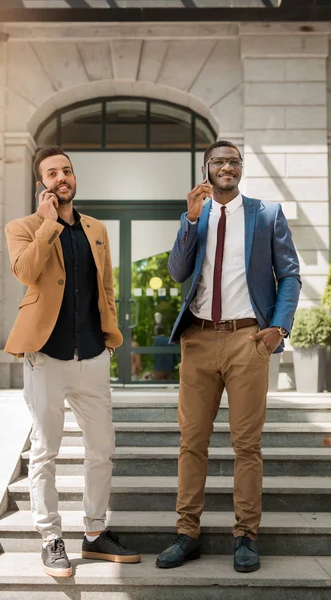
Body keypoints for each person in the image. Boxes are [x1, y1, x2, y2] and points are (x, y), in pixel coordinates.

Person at [156, 140, 301, 573]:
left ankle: (246, 536)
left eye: (234, 162)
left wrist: (277, 329)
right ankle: (187, 534)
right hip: (199, 339)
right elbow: (178, 271)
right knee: (191, 442)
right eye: (219, 161)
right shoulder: (195, 216)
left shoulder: (266, 215)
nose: (227, 167)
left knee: (247, 445)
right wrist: (190, 220)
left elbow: (289, 274)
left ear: (241, 169)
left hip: (248, 340)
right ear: (206, 170)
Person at [5, 146, 140, 577]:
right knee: (45, 450)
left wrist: (110, 340)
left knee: (101, 448)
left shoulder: (96, 229)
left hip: (93, 355)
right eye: (52, 173)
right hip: (45, 355)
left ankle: (96, 533)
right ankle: (50, 538)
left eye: (67, 171)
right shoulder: (22, 227)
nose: (62, 177)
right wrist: (48, 224)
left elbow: (106, 288)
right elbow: (26, 273)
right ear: (41, 183)